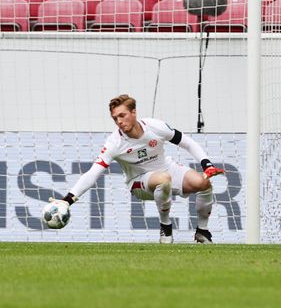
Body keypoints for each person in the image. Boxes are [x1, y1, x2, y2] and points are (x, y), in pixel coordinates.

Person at [50, 94, 225, 244]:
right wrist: (68, 200)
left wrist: (206, 164)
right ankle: (166, 227)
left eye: (122, 115)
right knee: (163, 179)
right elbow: (93, 173)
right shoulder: (114, 143)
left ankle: (202, 231)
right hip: (139, 181)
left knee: (203, 183)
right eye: (115, 118)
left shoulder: (155, 127)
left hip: (168, 168)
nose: (119, 121)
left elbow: (187, 142)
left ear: (134, 113)